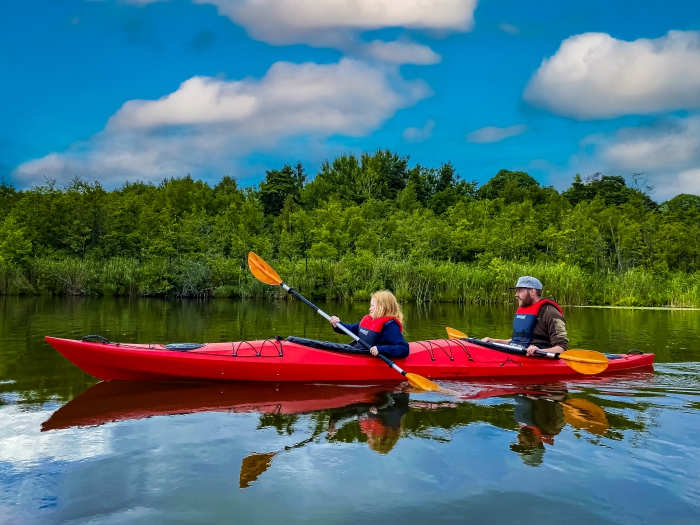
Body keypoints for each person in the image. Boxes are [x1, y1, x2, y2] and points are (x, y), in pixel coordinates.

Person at [482, 276, 568, 356]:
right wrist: (493, 341)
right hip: (518, 355)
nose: (516, 295)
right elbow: (517, 342)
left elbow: (561, 348)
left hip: (537, 360)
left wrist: (540, 351)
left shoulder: (551, 312)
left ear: (532, 292)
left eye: (520, 291)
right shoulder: (524, 311)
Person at [329, 290, 409, 359]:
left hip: (374, 358)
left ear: (382, 307)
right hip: (360, 352)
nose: (369, 309)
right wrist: (337, 324)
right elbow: (350, 329)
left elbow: (404, 348)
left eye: (372, 306)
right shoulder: (369, 321)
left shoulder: (390, 326)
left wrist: (381, 349)